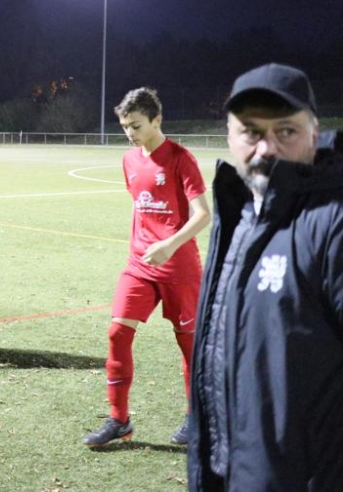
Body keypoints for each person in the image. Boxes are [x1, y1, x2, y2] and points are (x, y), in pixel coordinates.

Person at [187, 63, 343, 490]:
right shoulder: (241, 214)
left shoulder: (333, 222)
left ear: (314, 134)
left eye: (286, 131)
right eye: (251, 132)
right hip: (229, 470)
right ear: (229, 137)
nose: (267, 147)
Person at [82, 87, 212, 447]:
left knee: (189, 346)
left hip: (179, 267)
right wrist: (143, 245)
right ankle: (118, 420)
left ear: (157, 120)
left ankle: (197, 417)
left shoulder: (181, 159)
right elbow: (140, 206)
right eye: (125, 126)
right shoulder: (129, 160)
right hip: (139, 265)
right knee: (117, 333)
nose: (130, 133)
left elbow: (203, 214)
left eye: (136, 125)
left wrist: (169, 245)